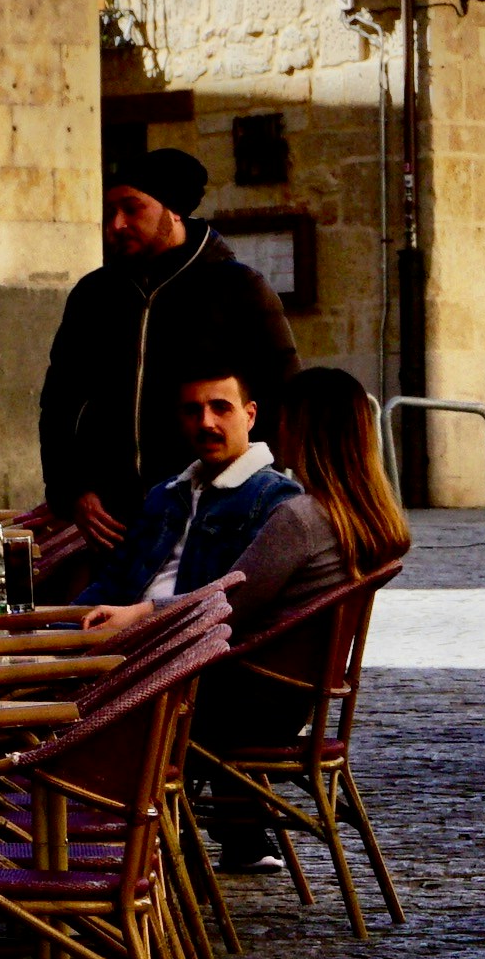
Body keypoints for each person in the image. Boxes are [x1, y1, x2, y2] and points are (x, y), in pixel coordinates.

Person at [78, 361, 349, 870]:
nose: (206, 422)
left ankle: (79, 835)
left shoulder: (280, 504)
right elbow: (115, 579)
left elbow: (230, 604)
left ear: (252, 416)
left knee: (72, 705)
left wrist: (141, 617)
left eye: (220, 408)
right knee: (41, 670)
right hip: (149, 641)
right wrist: (52, 624)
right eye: (192, 411)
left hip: (199, 666)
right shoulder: (165, 493)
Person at [37, 149, 297, 558]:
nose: (116, 225)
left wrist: (249, 492)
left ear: (173, 210)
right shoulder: (93, 296)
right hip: (113, 523)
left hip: (211, 515)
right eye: (109, 212)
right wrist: (72, 492)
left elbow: (285, 399)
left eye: (132, 209)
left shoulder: (239, 289)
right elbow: (59, 404)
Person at [265, 365, 413, 578]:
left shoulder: (299, 518)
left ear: (302, 432)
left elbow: (232, 603)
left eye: (284, 419)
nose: (279, 429)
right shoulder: (364, 519)